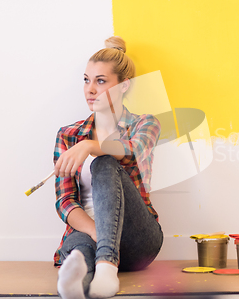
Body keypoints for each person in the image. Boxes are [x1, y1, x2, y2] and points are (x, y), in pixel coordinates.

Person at [52, 36, 163, 299]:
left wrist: (92, 147)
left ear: (123, 86)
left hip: (137, 239)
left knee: (104, 163)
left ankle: (107, 267)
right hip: (88, 230)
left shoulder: (145, 124)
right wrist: (96, 231)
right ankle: (76, 284)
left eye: (101, 81)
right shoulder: (68, 135)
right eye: (86, 79)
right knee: (78, 251)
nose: (90, 89)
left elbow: (133, 150)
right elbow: (65, 202)